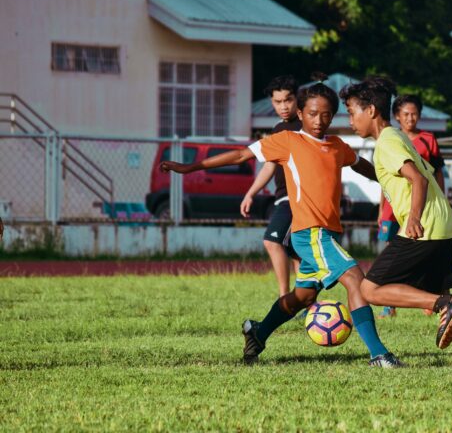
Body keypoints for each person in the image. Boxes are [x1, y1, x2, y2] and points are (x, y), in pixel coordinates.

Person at [161, 75, 402, 368]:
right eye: (312, 113)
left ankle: (258, 332)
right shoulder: (288, 141)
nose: (319, 120)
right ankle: (378, 354)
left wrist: (396, 177)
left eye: (326, 114)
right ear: (300, 113)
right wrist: (191, 167)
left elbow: (365, 167)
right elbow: (240, 155)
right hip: (310, 234)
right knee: (355, 280)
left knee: (302, 296)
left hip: (327, 234)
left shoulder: (337, 146)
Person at [341, 76, 452, 369]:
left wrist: (414, 218)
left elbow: (416, 179)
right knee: (447, 298)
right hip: (443, 226)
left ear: (370, 111)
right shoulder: (398, 137)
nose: (350, 119)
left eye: (351, 111)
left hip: (424, 227)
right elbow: (404, 173)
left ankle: (442, 306)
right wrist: (356, 163)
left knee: (369, 289)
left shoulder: (387, 143)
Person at [377, 94, 446, 319]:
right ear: (397, 116)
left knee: (422, 252)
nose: (410, 118)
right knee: (391, 253)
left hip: (418, 207)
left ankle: (429, 298)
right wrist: (381, 209)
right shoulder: (391, 139)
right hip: (392, 208)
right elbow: (385, 179)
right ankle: (390, 304)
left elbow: (436, 173)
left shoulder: (427, 139)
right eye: (405, 114)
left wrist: (442, 200)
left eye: (414, 113)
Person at [240, 75, 302, 297]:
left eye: (288, 100)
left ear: (297, 99)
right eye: (278, 102)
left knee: (272, 241)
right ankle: (303, 301)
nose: (283, 106)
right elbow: (269, 166)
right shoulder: (277, 128)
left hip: (297, 199)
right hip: (283, 198)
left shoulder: (307, 126)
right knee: (296, 251)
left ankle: (284, 298)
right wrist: (250, 194)